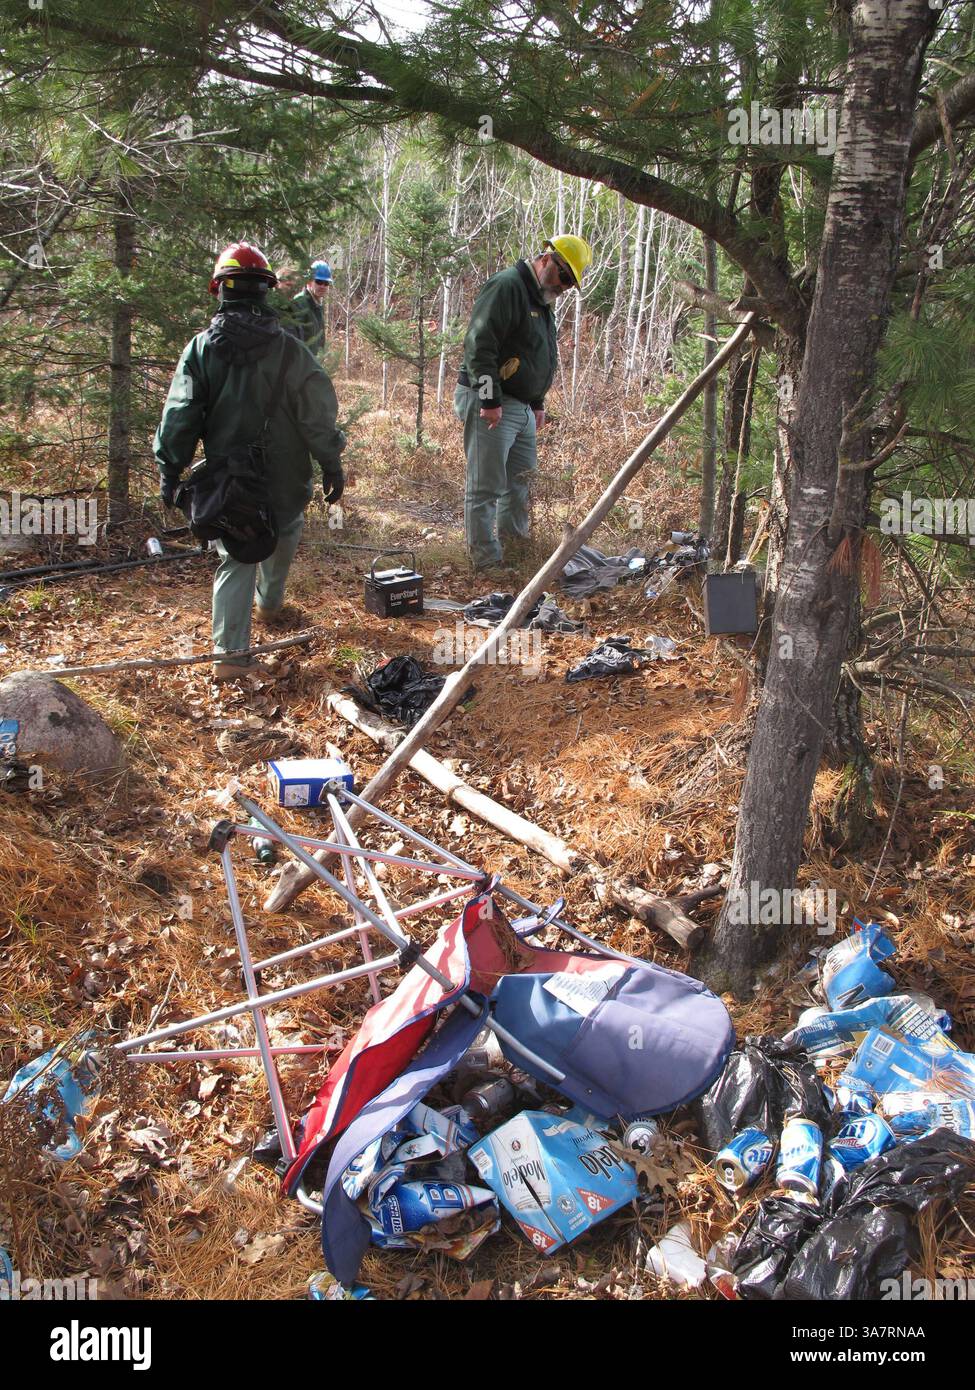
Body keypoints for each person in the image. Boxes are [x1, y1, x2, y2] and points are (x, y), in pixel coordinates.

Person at [154, 241, 345, 682]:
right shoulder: (292, 350)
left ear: (219, 290)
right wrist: (331, 463)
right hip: (286, 478)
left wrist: (170, 468)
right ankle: (270, 603)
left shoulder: (201, 349)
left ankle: (230, 655)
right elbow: (318, 415)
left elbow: (180, 416)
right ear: (266, 292)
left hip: (229, 482)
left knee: (237, 555)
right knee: (286, 530)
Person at [454, 235, 592, 573]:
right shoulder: (507, 287)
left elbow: (537, 355)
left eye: (571, 283)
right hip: (491, 401)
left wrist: (537, 401)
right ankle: (485, 564)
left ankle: (514, 550)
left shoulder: (540, 301)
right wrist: (489, 398)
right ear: (548, 259)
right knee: (486, 486)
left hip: (522, 407)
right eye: (564, 277)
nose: (565, 287)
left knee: (519, 484)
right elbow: (479, 344)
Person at [291, 260, 333, 357]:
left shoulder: (318, 306)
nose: (322, 286)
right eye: (318, 282)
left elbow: (320, 338)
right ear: (309, 282)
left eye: (326, 283)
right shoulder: (299, 303)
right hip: (302, 365)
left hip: (314, 364)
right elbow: (294, 340)